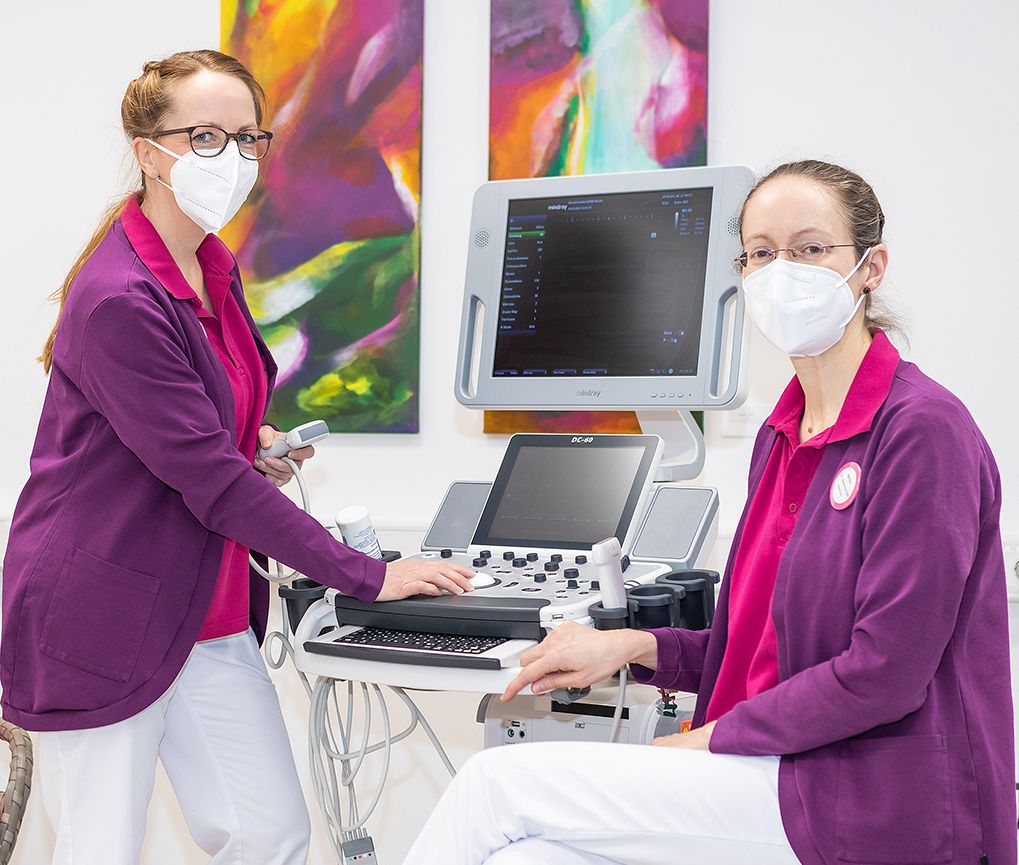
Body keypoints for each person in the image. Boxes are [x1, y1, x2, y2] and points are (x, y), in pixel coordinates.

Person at [404, 160, 1015, 865]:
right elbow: (752, 650)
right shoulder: (781, 436)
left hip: (864, 793)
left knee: (493, 785)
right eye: (760, 252)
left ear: (870, 267)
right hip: (771, 769)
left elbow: (883, 672)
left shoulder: (919, 430)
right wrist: (630, 646)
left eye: (810, 249)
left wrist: (703, 739)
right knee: (525, 856)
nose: (781, 270)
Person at [1, 50, 475, 865]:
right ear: (150, 151)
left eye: (248, 138)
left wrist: (248, 438)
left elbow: (197, 434)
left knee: (268, 833)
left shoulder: (211, 269)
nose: (234, 158)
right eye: (206, 137)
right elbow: (207, 480)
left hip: (202, 608)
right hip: (101, 612)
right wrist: (366, 575)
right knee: (98, 849)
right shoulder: (120, 293)